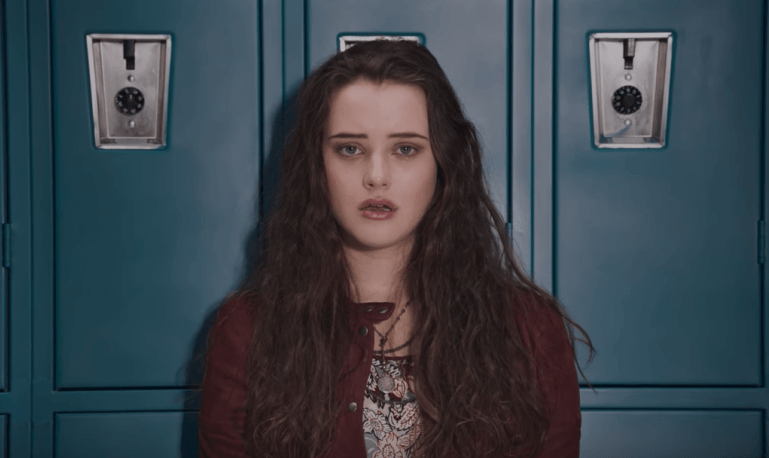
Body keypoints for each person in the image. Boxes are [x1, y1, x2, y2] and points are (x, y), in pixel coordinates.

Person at [198, 39, 593, 458]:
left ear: (442, 164)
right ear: (316, 166)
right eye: (350, 149)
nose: (376, 176)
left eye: (405, 149)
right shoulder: (247, 329)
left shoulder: (530, 328)